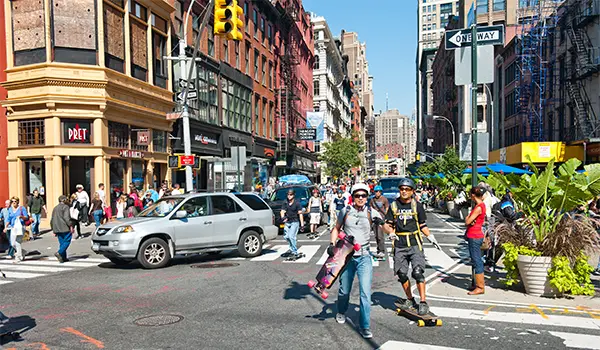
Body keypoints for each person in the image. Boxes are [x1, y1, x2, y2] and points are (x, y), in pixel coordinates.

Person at [382, 178, 440, 316]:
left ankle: (423, 301)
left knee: (417, 272)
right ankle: (410, 299)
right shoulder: (394, 206)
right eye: (402, 189)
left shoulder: (417, 206)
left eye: (407, 189)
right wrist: (390, 232)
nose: (404, 191)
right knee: (402, 274)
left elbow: (422, 225)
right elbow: (387, 224)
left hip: (415, 243)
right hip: (399, 244)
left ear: (412, 191)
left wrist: (430, 237)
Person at [330, 183, 378, 339]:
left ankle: (365, 326)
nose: (361, 198)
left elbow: (386, 225)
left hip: (365, 256)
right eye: (358, 196)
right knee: (344, 290)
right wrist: (332, 245)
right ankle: (341, 310)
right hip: (347, 256)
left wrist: (391, 232)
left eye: (364, 196)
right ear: (353, 197)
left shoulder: (371, 212)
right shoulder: (345, 211)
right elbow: (336, 228)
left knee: (365, 293)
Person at [465, 186, 486, 295]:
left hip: (474, 235)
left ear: (473, 195)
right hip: (476, 234)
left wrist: (468, 218)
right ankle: (478, 283)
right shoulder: (481, 205)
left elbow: (468, 221)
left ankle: (480, 286)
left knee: (477, 260)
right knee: (476, 259)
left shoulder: (478, 207)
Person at [279, 189, 305, 261]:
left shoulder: (297, 203)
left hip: (295, 222)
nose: (289, 196)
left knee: (291, 236)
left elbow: (300, 214)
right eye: (288, 195)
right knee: (286, 236)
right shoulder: (285, 202)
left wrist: (302, 225)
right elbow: (282, 211)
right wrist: (283, 217)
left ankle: (294, 251)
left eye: (291, 195)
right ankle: (292, 246)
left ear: (293, 195)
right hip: (287, 222)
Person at [51, 195, 74, 263]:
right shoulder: (65, 207)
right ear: (64, 200)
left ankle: (63, 257)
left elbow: (52, 219)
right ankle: (59, 253)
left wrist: (53, 228)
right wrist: (71, 225)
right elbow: (67, 218)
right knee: (67, 241)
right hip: (64, 227)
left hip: (57, 227)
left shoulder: (55, 208)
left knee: (62, 242)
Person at [369, 185, 389, 260]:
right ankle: (378, 250)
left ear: (381, 192)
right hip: (374, 219)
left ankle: (382, 251)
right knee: (376, 236)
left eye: (378, 191)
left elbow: (387, 208)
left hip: (381, 219)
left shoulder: (384, 199)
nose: (377, 193)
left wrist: (386, 218)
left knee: (380, 236)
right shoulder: (372, 199)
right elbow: (370, 208)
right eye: (375, 191)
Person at [6, 197, 29, 261]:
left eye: (15, 201)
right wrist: (6, 226)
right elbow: (9, 218)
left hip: (21, 227)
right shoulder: (10, 209)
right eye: (12, 201)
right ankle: (22, 251)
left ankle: (19, 257)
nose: (14, 202)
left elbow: (26, 217)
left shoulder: (22, 208)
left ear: (18, 202)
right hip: (13, 227)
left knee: (17, 242)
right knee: (12, 243)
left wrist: (21, 217)